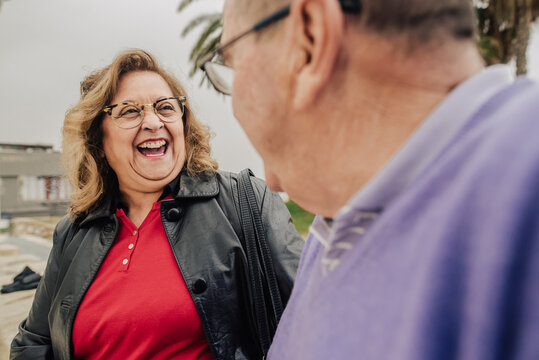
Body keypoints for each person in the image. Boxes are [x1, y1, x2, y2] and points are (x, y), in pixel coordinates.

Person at [198, 0, 539, 358]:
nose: (233, 98)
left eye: (230, 61)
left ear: (309, 40)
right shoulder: (340, 217)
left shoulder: (523, 195)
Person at [10, 49, 303, 360]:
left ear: (183, 124)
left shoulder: (246, 201)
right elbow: (33, 341)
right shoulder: (73, 232)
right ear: (97, 140)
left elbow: (316, 317)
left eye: (165, 107)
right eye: (129, 111)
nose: (153, 122)